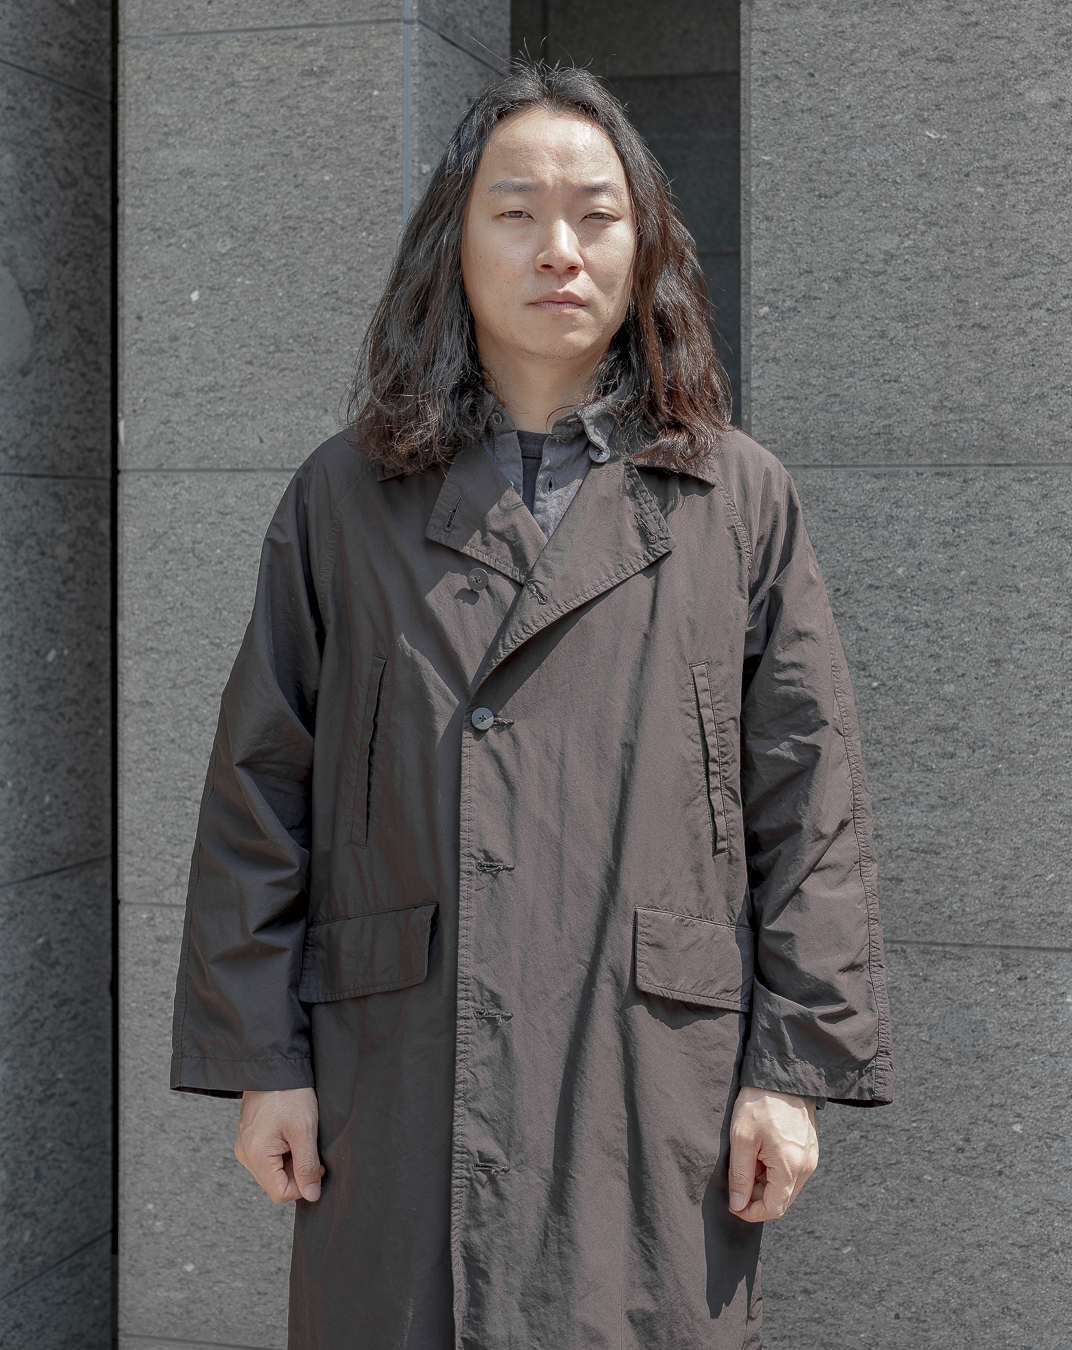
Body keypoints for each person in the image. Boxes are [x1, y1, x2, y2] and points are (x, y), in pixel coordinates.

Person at [171, 61, 892, 1350]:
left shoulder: (735, 497)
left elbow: (809, 793)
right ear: (452, 247)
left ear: (644, 248)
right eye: (516, 212)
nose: (561, 248)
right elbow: (260, 785)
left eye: (598, 214)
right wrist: (263, 1060)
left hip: (648, 1073)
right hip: (399, 1067)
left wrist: (791, 1071)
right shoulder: (345, 497)